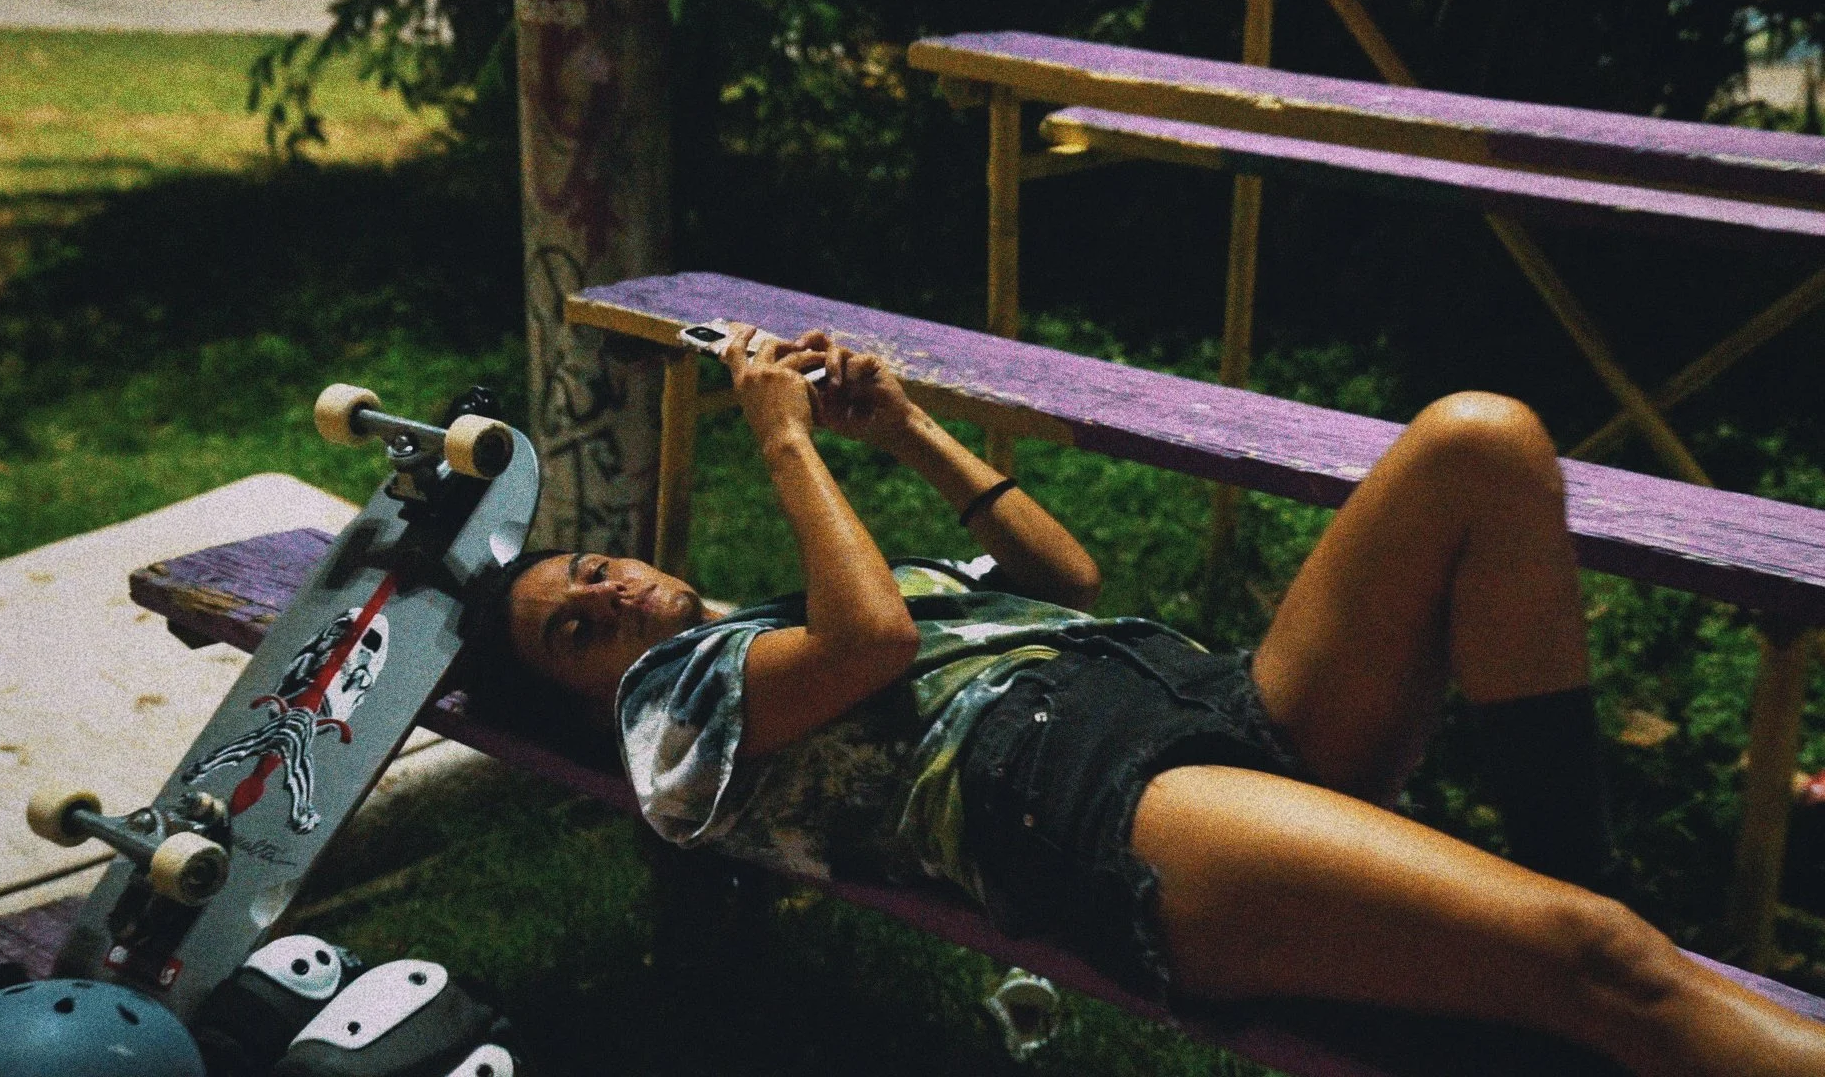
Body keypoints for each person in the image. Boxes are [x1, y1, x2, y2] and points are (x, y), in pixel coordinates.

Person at [469, 324, 1825, 1076]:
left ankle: (1579, 970)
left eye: (592, 572)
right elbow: (873, 642)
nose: (612, 602)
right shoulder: (678, 715)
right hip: (1109, 815)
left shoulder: (791, 620)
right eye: (576, 635)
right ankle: (1596, 989)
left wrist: (904, 431)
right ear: (592, 698)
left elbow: (1062, 573)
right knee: (1605, 964)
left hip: (1206, 710)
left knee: (1483, 440)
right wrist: (778, 434)